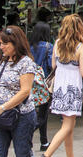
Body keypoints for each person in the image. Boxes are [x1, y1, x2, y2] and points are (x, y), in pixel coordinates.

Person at [42, 15, 83, 157]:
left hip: (59, 87)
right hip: (73, 88)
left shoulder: (57, 43)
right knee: (67, 126)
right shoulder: (82, 47)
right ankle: (46, 155)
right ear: (79, 28)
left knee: (69, 125)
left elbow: (54, 66)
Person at [0, 26, 36, 157]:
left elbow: (25, 91)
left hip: (22, 115)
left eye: (5, 43)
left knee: (23, 152)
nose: (1, 47)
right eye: (0, 43)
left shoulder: (26, 63)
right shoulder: (5, 61)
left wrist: (2, 107)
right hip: (1, 116)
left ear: (16, 43)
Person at [30, 18, 54, 152]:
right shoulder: (48, 46)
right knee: (43, 114)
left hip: (30, 81)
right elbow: (51, 65)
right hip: (44, 82)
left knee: (32, 110)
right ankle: (36, 136)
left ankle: (44, 141)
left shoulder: (29, 46)